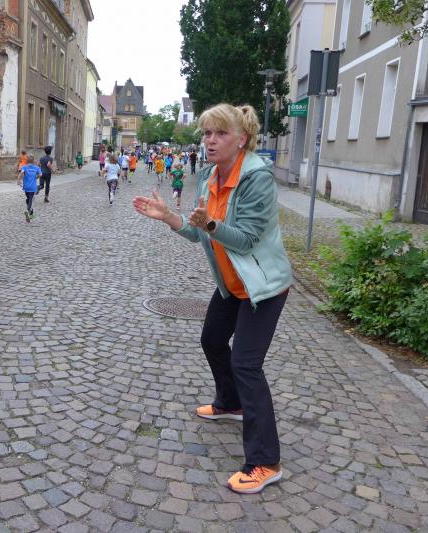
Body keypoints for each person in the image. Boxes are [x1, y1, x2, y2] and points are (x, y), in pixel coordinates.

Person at [132, 103, 292, 495]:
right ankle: (230, 404)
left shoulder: (256, 179)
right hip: (231, 284)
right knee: (212, 339)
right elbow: (200, 232)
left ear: (242, 139)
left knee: (246, 364)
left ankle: (266, 461)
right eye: (206, 133)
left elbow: (247, 239)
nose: (211, 141)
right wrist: (170, 217)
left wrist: (211, 224)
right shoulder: (210, 176)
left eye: (220, 133)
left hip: (262, 286)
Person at [17, 153, 41, 222]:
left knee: (28, 199)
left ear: (26, 160)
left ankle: (30, 213)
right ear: (33, 160)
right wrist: (36, 177)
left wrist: (18, 180)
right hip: (33, 187)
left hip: (26, 187)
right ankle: (28, 210)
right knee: (31, 199)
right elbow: (40, 174)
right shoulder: (36, 168)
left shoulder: (24, 167)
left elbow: (21, 173)